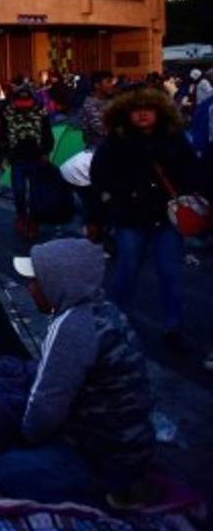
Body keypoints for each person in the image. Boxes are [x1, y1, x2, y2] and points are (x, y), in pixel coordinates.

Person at [0, 239, 154, 506]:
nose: (30, 288)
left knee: (2, 468)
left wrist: (21, 439)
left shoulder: (72, 326)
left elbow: (44, 414)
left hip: (101, 458)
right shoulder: (108, 311)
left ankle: (105, 493)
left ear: (57, 284)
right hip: (133, 447)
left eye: (36, 281)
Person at [90, 87, 199, 349]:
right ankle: (111, 322)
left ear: (159, 111)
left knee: (169, 271)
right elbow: (99, 173)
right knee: (127, 269)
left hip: (167, 217)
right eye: (135, 110)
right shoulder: (116, 140)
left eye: (147, 109)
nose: (141, 115)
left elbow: (192, 172)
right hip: (129, 216)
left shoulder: (174, 138)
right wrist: (113, 199)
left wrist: (186, 197)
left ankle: (173, 326)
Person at [0, 85, 53, 238]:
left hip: (36, 157)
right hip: (17, 158)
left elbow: (47, 133)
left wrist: (45, 151)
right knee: (19, 191)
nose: (23, 104)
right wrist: (5, 154)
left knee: (36, 192)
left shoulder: (41, 113)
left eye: (26, 100)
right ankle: (21, 216)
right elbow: (3, 135)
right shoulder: (7, 113)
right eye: (20, 100)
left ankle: (34, 220)